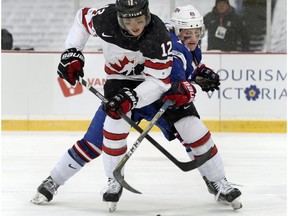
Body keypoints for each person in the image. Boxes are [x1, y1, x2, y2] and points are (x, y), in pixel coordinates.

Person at [31, 2, 242, 212]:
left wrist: (191, 79)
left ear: (148, 16)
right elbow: (82, 19)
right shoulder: (105, 18)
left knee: (192, 129)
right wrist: (72, 52)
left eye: (140, 20)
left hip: (155, 89)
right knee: (96, 140)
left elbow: (162, 81)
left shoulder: (160, 36)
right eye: (187, 34)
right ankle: (59, 179)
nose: (135, 26)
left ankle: (217, 180)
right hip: (121, 83)